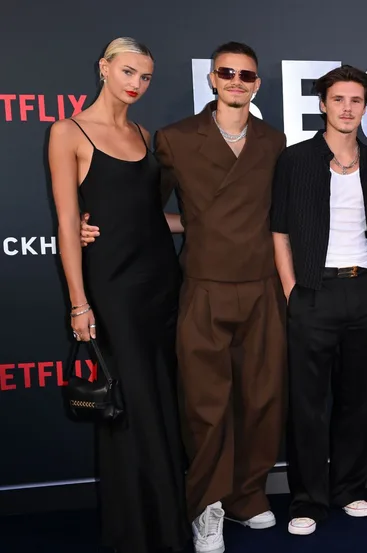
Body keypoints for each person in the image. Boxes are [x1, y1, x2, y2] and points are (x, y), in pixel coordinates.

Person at [82, 41, 287, 553]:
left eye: (247, 75)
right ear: (212, 80)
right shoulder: (174, 139)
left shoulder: (273, 140)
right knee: (205, 404)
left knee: (261, 399)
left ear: (256, 84)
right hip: (202, 285)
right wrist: (91, 226)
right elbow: (145, 209)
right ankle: (207, 506)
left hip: (261, 286)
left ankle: (247, 495)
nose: (237, 82)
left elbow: (287, 213)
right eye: (227, 73)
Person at [50, 37, 189, 553]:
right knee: (129, 408)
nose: (137, 84)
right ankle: (138, 533)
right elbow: (68, 223)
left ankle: (170, 523)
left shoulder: (143, 133)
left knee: (163, 400)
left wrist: (212, 224)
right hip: (113, 288)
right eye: (128, 72)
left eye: (146, 77)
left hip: (162, 283)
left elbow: (152, 218)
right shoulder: (68, 131)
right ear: (103, 68)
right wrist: (79, 302)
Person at [270, 65, 367, 537]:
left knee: (358, 401)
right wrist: (292, 292)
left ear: (365, 107)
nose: (347, 108)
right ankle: (306, 498)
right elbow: (279, 232)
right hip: (313, 294)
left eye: (356, 100)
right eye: (338, 99)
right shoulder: (295, 161)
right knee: (307, 403)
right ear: (323, 104)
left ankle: (350, 489)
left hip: (365, 291)